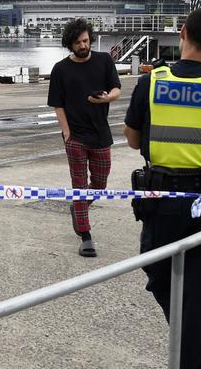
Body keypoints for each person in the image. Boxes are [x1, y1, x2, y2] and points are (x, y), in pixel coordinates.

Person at [123, 7, 201, 369]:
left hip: (162, 200)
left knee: (161, 277)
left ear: (182, 32)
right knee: (196, 286)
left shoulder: (152, 81)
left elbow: (131, 138)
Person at [46, 17, 122, 257]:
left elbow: (117, 88)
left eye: (86, 40)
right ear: (70, 44)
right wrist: (67, 132)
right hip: (76, 137)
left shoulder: (104, 60)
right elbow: (58, 104)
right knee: (79, 187)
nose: (83, 45)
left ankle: (78, 208)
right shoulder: (60, 69)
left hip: (101, 133)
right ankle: (86, 236)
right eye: (78, 42)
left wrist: (107, 98)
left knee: (99, 185)